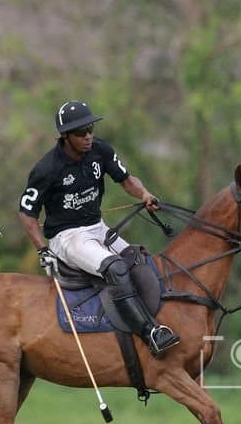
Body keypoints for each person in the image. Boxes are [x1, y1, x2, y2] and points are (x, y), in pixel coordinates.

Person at [18, 100, 179, 356]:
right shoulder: (46, 168)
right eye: (81, 132)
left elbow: (126, 180)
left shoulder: (100, 151)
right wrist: (42, 250)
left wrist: (145, 194)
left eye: (90, 128)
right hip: (67, 237)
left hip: (97, 228)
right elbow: (27, 214)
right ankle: (149, 333)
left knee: (138, 262)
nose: (88, 136)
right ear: (66, 136)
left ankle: (155, 320)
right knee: (115, 268)